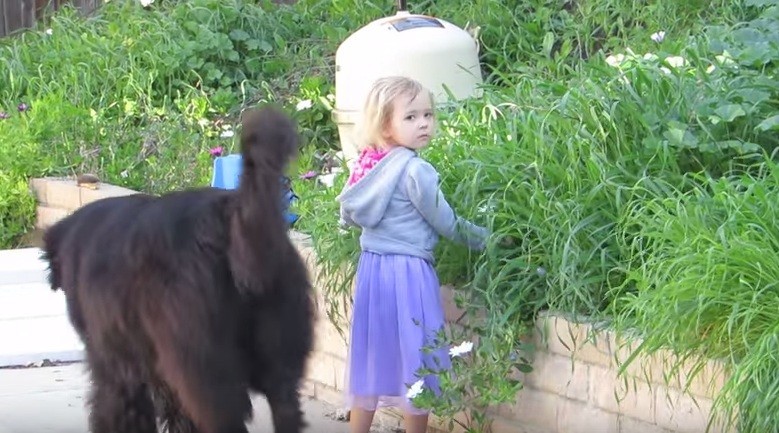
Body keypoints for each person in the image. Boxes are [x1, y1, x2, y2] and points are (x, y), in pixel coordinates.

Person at [337, 76, 489, 433]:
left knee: (372, 360)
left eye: (428, 114)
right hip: (409, 274)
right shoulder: (415, 171)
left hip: (373, 272)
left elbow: (347, 212)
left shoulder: (365, 166)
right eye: (411, 117)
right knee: (417, 363)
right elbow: (448, 224)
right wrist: (490, 240)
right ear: (384, 125)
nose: (423, 123)